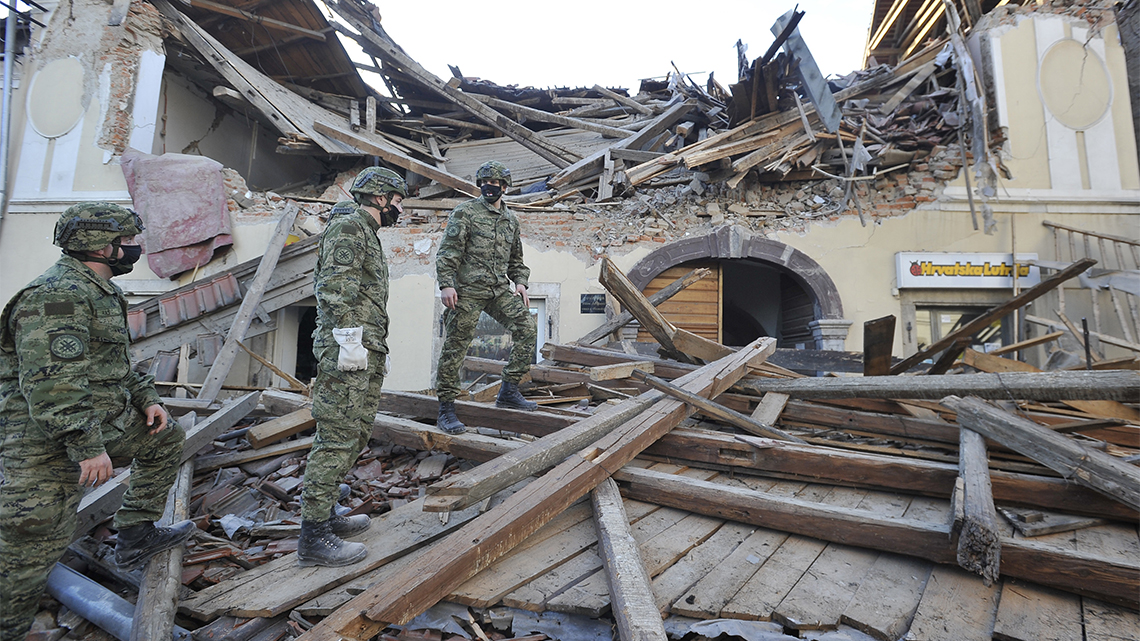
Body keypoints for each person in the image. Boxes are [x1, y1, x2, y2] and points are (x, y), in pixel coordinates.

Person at [0, 202, 194, 640]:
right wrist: (87, 446)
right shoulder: (58, 295)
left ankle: (135, 536)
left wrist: (147, 399)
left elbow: (115, 365)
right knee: (31, 544)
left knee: (164, 438)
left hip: (97, 418)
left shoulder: (100, 289)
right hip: (42, 437)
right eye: (127, 242)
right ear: (99, 245)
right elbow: (54, 385)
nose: (134, 250)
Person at [297, 166, 406, 567]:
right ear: (379, 198)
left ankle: (325, 517)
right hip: (347, 351)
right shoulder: (349, 228)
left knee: (356, 433)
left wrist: (374, 345)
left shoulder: (365, 231)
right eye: (397, 201)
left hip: (364, 348)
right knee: (337, 438)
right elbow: (334, 288)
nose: (399, 208)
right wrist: (349, 340)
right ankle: (313, 538)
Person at [435, 161, 538, 435]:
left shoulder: (510, 220)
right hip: (466, 291)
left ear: (504, 187)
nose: (489, 188)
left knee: (527, 329)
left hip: (497, 291)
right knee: (456, 347)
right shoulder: (465, 213)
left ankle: (508, 390)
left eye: (494, 184)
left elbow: (517, 259)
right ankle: (446, 408)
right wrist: (446, 284)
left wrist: (521, 283)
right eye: (484, 183)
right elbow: (448, 252)